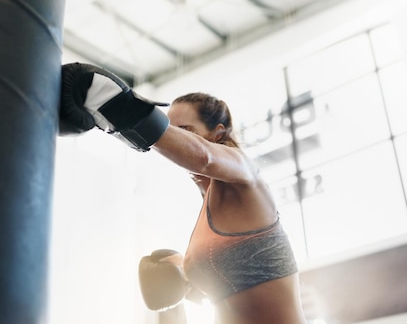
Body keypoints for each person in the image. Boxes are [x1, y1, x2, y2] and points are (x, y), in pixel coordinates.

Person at [59, 63, 307, 324]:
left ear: (217, 134)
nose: (172, 137)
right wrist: (181, 269)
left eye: (184, 130)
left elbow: (204, 157)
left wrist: (121, 108)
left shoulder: (245, 175)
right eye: (170, 127)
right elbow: (235, 285)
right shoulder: (206, 214)